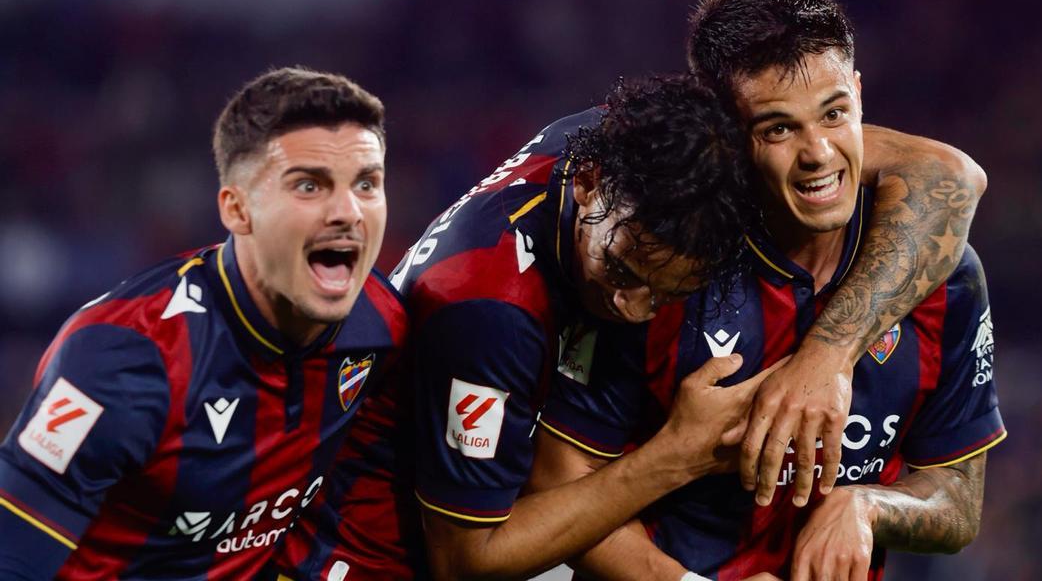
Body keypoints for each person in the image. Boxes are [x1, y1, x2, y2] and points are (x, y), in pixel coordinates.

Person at [535, 0, 1006, 581]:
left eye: (834, 113)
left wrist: (866, 506)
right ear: (729, 132)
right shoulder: (671, 268)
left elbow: (958, 502)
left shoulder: (938, 271)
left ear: (859, 94)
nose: (818, 153)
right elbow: (560, 493)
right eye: (778, 128)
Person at [277, 75, 776, 581]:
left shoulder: (632, 146)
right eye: (623, 272)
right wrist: (676, 456)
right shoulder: (491, 310)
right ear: (587, 182)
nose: (633, 309)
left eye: (668, 294)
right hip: (360, 560)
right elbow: (468, 561)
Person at [0, 68, 412, 580]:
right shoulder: (121, 363)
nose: (348, 211)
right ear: (237, 210)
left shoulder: (384, 326)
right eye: (310, 185)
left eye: (367, 183)